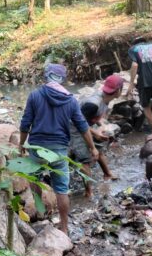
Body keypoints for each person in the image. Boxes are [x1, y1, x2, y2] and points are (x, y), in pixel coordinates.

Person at [19, 63, 99, 234]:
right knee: (62, 189)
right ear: (62, 79)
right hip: (59, 150)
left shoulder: (35, 95)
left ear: (46, 76)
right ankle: (64, 226)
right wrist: (92, 147)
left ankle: (40, 213)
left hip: (37, 147)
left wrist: (21, 144)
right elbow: (82, 126)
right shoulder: (70, 100)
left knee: (35, 179)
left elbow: (25, 124)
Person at [69, 74, 123, 198]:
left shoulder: (106, 98)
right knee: (85, 160)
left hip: (87, 124)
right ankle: (88, 192)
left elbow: (95, 117)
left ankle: (107, 174)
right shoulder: (93, 104)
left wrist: (101, 126)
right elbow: (79, 123)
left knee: (99, 149)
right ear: (119, 90)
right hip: (74, 128)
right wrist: (95, 133)